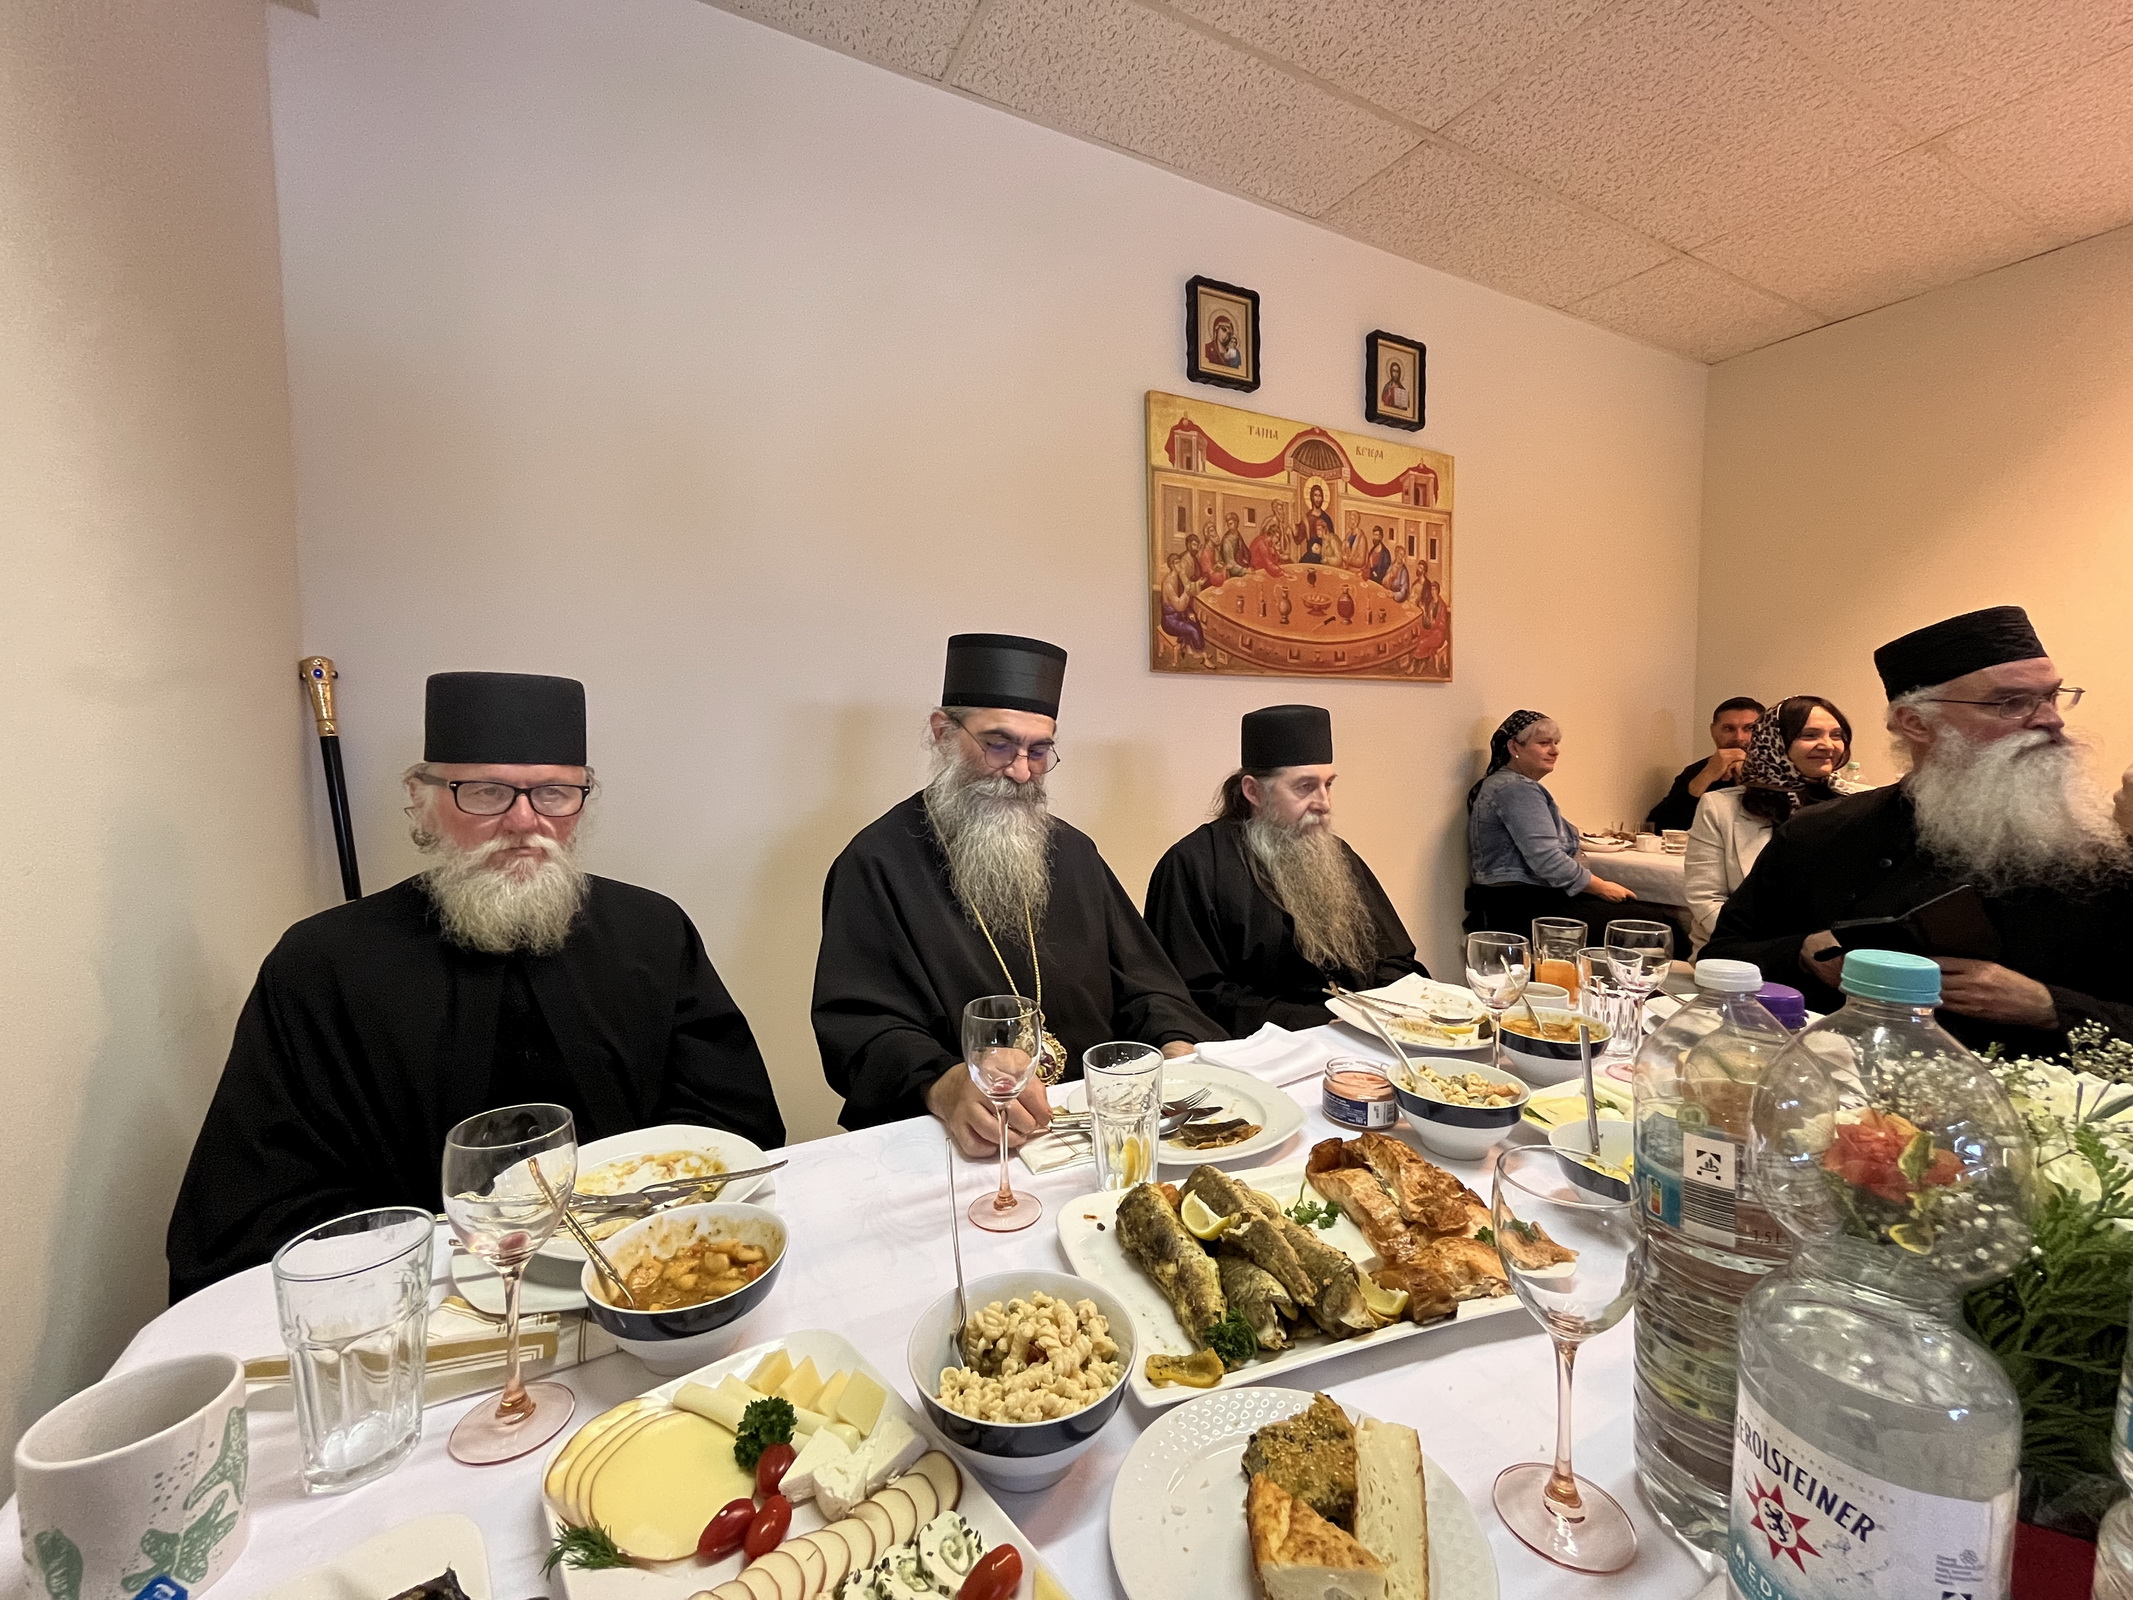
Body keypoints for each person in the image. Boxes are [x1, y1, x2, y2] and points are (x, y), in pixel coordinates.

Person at [167, 672, 784, 1301]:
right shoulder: (321, 965)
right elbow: (257, 1211)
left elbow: (731, 1123)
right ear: (422, 799)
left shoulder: (651, 931)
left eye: (554, 793)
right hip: (422, 1295)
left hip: (647, 1267)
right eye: (487, 792)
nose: (524, 820)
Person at [813, 634, 1218, 1155]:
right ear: (942, 733)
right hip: (970, 1140)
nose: (1022, 771)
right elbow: (863, 1028)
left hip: (1097, 1124)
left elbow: (1148, 986)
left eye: (1039, 750)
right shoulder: (877, 863)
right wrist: (944, 1083)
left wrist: (1175, 1043)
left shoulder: (1073, 853)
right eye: (998, 744)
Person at [1705, 606, 2133, 1054]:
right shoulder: (1821, 833)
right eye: (2012, 702)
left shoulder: (2097, 853)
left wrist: (2049, 1007)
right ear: (1915, 723)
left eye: (2051, 696)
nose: (2050, 719)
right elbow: (1723, 956)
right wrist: (1803, 952)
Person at [1145, 705, 1428, 1034]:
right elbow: (1197, 995)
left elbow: (1394, 957)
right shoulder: (1193, 864)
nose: (1324, 803)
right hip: (1263, 1047)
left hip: (1363, 1035)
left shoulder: (1336, 854)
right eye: (1305, 787)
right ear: (1253, 791)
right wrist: (1325, 1022)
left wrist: (1387, 1009)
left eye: (1328, 785)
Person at [1683, 695, 1850, 950]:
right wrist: (1776, 951)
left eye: (1836, 735)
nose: (1827, 745)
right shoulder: (1722, 807)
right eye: (1810, 735)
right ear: (1775, 741)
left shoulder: (1856, 804)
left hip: (1834, 954)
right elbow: (1706, 898)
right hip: (1740, 952)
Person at [1464, 710, 1640, 934]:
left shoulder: (1508, 784)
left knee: (1638, 915)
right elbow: (1547, 859)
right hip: (1520, 905)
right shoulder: (1516, 789)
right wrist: (1601, 887)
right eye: (1544, 743)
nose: (1555, 751)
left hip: (1516, 901)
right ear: (1514, 747)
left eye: (1556, 743)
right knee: (1651, 924)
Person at [1646, 697, 1765, 833]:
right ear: (1713, 731)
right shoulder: (1697, 771)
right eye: (1728, 728)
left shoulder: (1781, 772)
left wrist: (1747, 781)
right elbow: (1657, 827)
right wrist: (1707, 775)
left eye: (1749, 728)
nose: (1739, 737)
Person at [1298, 484, 1334, 563]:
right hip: (1311, 554)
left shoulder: (1326, 518)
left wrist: (1323, 549)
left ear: (1322, 498)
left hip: (1323, 555)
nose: (1317, 499)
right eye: (1315, 495)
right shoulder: (1307, 517)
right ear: (1312, 497)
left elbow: (1331, 539)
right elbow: (1298, 538)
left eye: (1319, 496)